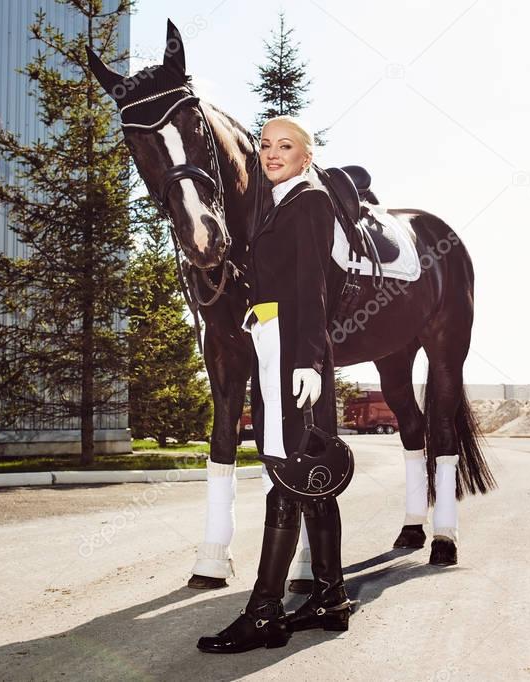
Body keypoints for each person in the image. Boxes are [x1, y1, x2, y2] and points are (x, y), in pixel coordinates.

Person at [197, 116, 351, 654]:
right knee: (308, 472)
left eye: (285, 146)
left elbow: (311, 284)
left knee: (286, 473)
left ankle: (264, 612)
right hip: (276, 341)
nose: (271, 153)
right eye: (265, 145)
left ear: (307, 157)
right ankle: (330, 598)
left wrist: (308, 359)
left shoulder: (308, 200)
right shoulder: (279, 202)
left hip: (292, 352)